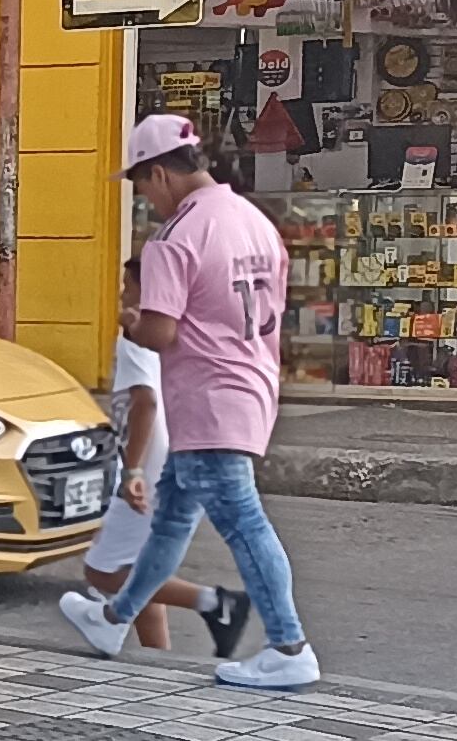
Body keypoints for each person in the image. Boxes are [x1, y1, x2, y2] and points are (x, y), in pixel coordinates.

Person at [61, 112, 315, 686]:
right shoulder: (253, 221)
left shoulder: (175, 238)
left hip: (205, 399)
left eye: (140, 185)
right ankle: (114, 618)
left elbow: (161, 332)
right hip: (250, 386)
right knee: (172, 518)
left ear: (159, 173)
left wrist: (130, 322)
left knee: (244, 523)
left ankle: (289, 645)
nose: (145, 199)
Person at [71, 255, 247, 657]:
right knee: (139, 560)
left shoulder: (137, 334)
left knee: (103, 571)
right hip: (176, 452)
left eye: (128, 286)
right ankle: (157, 657)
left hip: (150, 462)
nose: (121, 295)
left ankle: (215, 603)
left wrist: (132, 469)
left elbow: (145, 402)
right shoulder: (178, 330)